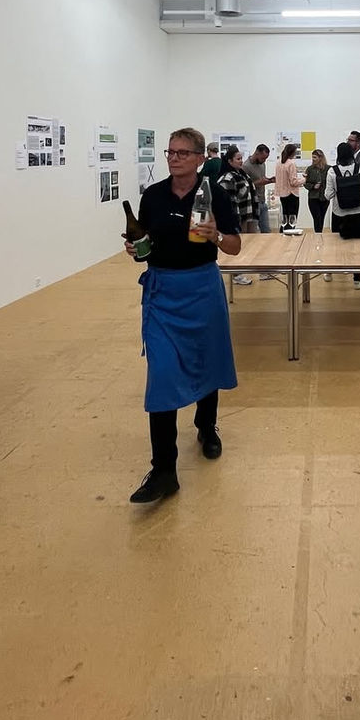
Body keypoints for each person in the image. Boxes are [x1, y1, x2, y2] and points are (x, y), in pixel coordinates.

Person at [127, 127, 241, 506]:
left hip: (202, 288)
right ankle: (164, 470)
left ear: (199, 158)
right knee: (161, 374)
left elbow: (235, 246)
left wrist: (216, 236)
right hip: (163, 294)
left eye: (182, 153)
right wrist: (137, 250)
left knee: (206, 360)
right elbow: (145, 244)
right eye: (170, 152)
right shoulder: (153, 196)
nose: (174, 159)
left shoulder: (215, 195)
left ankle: (207, 427)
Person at [325, 142, 360, 289]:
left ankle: (329, 273)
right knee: (358, 246)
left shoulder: (332, 171)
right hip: (359, 212)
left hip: (339, 213)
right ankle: (356, 280)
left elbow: (328, 195)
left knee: (335, 244)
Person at [216, 144, 258, 285]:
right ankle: (236, 274)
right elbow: (229, 203)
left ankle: (245, 270)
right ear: (230, 161)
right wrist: (235, 221)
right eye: (238, 159)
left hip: (247, 215)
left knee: (249, 243)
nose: (241, 161)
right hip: (237, 218)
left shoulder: (241, 174)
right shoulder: (227, 178)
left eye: (241, 158)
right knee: (237, 245)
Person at [243, 144, 275, 235]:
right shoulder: (246, 166)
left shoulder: (262, 164)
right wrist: (259, 182)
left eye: (266, 158)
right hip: (252, 203)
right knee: (253, 232)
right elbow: (244, 186)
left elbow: (261, 179)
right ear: (257, 153)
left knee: (266, 231)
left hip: (262, 201)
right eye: (263, 158)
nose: (264, 160)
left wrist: (269, 180)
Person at [275, 143, 303, 229]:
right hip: (291, 194)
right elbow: (293, 182)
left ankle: (283, 234)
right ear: (293, 153)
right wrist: (304, 180)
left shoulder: (279, 163)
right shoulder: (291, 164)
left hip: (282, 195)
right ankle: (290, 234)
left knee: (285, 218)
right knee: (292, 219)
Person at [303, 149, 331, 234]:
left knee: (321, 218)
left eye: (315, 157)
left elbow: (331, 182)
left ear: (320, 158)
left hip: (324, 198)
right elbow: (305, 183)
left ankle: (319, 234)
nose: (313, 159)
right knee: (317, 218)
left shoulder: (329, 169)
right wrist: (313, 186)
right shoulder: (310, 169)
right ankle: (318, 235)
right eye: (312, 157)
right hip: (313, 198)